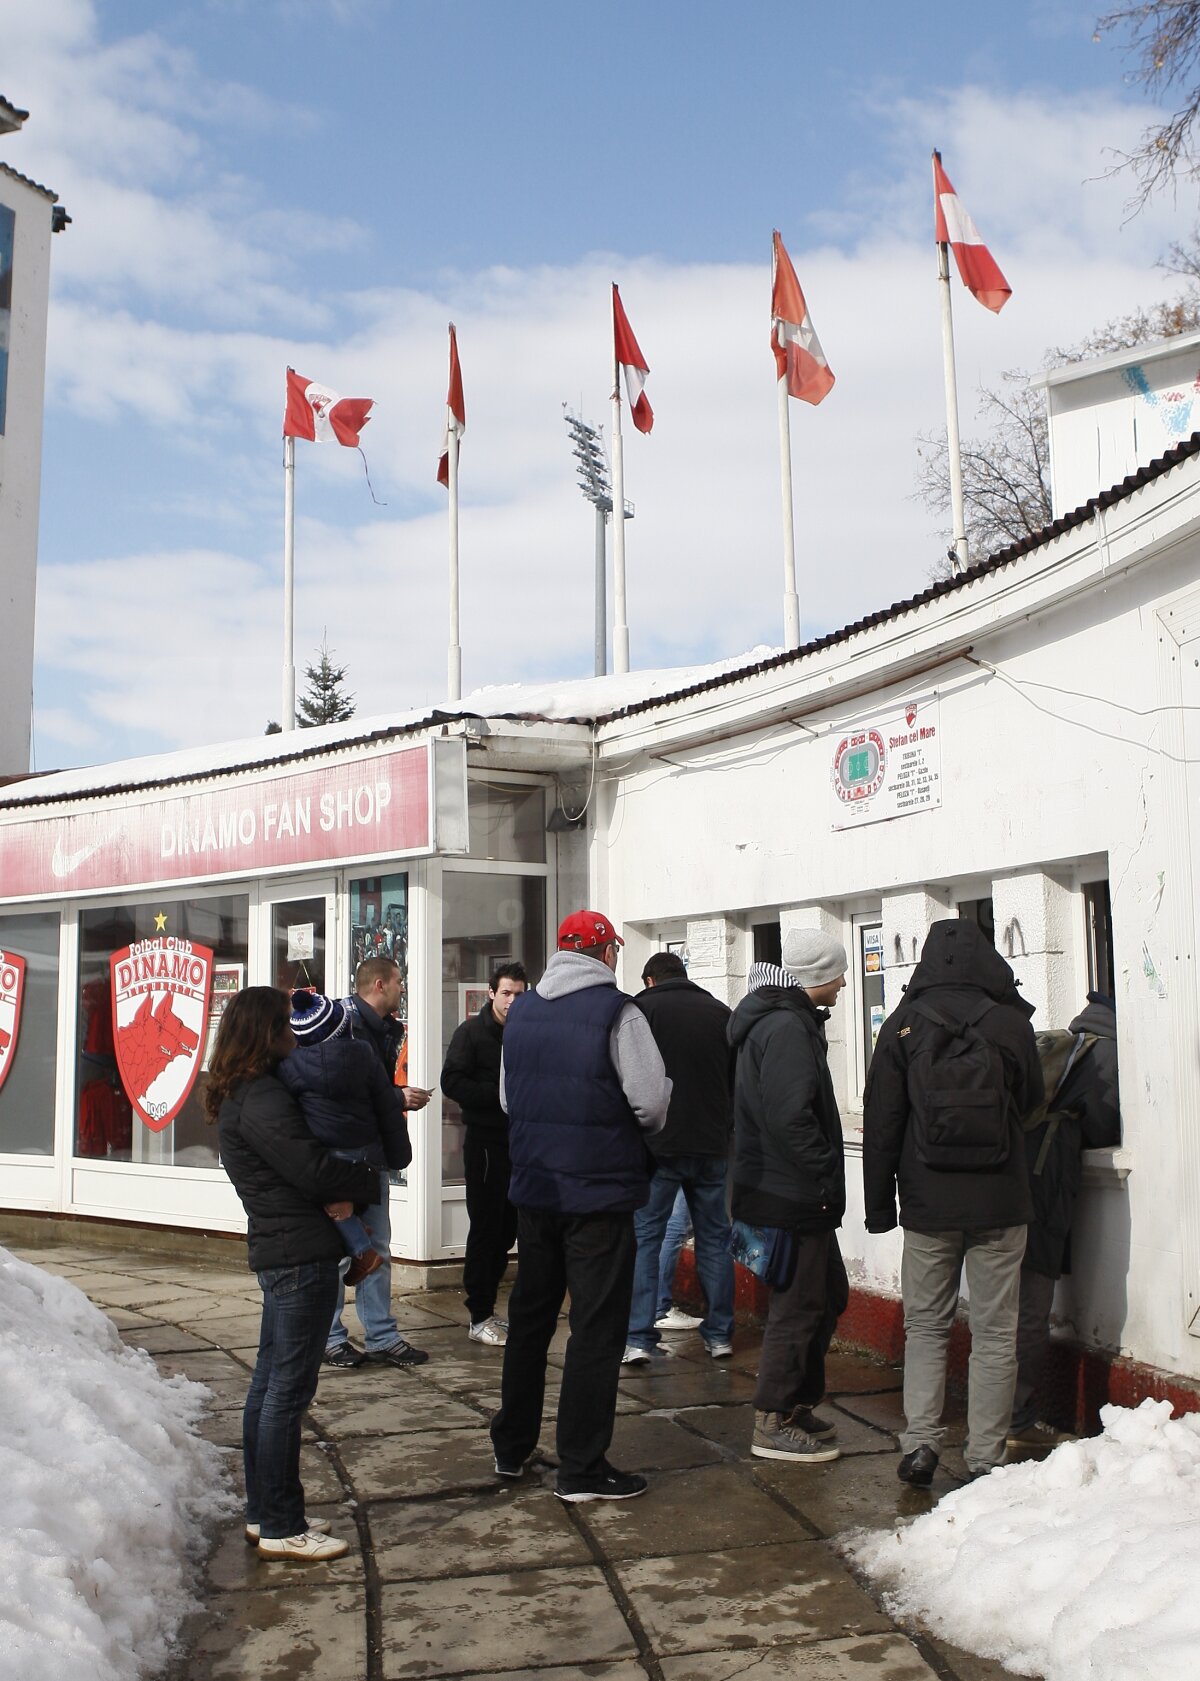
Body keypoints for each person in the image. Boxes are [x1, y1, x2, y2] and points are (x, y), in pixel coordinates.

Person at [489, 909, 671, 1503]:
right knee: (595, 1327)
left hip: (536, 1190)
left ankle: (511, 1446)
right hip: (598, 1192)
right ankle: (582, 1467)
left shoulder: (522, 1012)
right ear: (606, 953)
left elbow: (509, 1099)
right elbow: (651, 1103)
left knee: (531, 1320)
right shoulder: (620, 1012)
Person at [863, 918, 1042, 1487]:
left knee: (927, 1328)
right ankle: (986, 1455)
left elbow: (881, 1125)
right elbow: (1033, 1103)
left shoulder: (900, 1026)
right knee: (995, 1333)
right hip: (1001, 1201)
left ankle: (921, 1444)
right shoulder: (1011, 1025)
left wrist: (877, 1207)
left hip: (927, 1203)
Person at [208, 985, 380, 1562]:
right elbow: (309, 1167)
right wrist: (361, 1182)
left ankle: (265, 1513)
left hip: (288, 1249)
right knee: (286, 1391)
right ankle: (283, 1521)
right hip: (298, 1256)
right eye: (284, 1021)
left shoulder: (251, 1091)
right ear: (264, 1031)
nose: (293, 1030)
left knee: (269, 1387)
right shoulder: (260, 1097)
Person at [729, 930, 850, 1465]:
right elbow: (788, 1115)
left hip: (787, 1189)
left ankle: (797, 1403)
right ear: (816, 976)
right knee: (799, 1306)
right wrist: (825, 1165)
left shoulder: (784, 1021)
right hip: (791, 1192)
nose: (846, 983)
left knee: (827, 1295)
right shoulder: (786, 1026)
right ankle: (771, 1419)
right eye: (838, 973)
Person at [1008, 991, 1121, 1450]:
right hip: (1045, 1189)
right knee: (1029, 1312)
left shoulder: (1066, 1043)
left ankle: (999, 1417)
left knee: (1009, 1309)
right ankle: (1015, 1421)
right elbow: (1103, 1125)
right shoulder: (1108, 1053)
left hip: (1013, 1183)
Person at [623, 950, 736, 1363]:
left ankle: (638, 1336)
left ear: (651, 980)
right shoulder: (720, 1012)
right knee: (715, 1240)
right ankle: (721, 1334)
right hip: (710, 1145)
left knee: (646, 1239)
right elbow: (734, 1080)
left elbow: (629, 1078)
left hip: (658, 1146)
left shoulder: (640, 1010)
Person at [323, 956, 431, 1369]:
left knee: (375, 1247)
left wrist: (392, 1095)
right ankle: (330, 1337)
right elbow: (340, 1091)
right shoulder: (342, 1024)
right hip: (341, 1156)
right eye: (400, 982)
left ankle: (381, 1336)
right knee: (338, 1249)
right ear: (381, 985)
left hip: (371, 1154)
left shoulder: (383, 1028)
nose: (404, 989)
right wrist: (397, 1097)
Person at [278, 990, 413, 1286]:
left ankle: (334, 1329)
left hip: (329, 1159)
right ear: (342, 1027)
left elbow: (290, 1118)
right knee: (380, 1239)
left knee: (332, 1220)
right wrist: (399, 1155)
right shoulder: (364, 1053)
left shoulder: (291, 1066)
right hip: (369, 1156)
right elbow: (385, 1106)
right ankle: (381, 1331)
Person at [441, 961, 529, 1346]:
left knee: (510, 1230)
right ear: (492, 993)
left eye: (519, 994)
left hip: (522, 1146)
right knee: (487, 1232)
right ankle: (479, 1314)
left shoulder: (528, 1032)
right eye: (506, 993)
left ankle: (491, 1311)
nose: (512, 1001)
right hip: (487, 1145)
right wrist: (499, 1096)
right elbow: (452, 1080)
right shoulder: (472, 1033)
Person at [654, 1188, 702, 1330]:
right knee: (675, 1227)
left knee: (658, 1228)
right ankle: (660, 1311)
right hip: (680, 1168)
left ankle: (654, 1308)